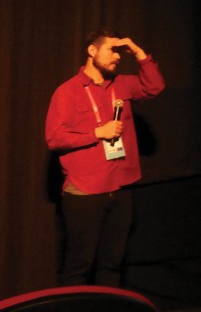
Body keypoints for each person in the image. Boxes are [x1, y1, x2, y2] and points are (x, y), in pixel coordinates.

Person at [45, 29, 165, 286]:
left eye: (120, 52)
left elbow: (155, 87)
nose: (117, 57)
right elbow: (54, 138)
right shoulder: (67, 91)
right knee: (79, 266)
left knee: (112, 265)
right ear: (92, 51)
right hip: (85, 191)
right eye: (112, 49)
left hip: (120, 188)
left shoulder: (122, 84)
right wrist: (97, 132)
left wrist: (139, 53)